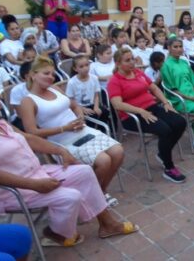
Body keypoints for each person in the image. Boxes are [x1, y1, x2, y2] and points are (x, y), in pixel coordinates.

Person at [0, 81, 138, 247]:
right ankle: (54, 233)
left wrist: (61, 151)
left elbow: (28, 138)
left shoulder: (1, 123)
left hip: (36, 172)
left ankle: (107, 224)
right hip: (11, 190)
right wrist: (34, 184)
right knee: (70, 196)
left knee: (85, 171)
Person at [19, 56, 124, 207]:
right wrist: (64, 128)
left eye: (52, 73)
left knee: (118, 151)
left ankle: (99, 191)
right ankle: (96, 195)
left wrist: (80, 117)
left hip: (81, 130)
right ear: (33, 75)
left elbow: (74, 105)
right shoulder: (28, 101)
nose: (51, 77)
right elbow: (32, 132)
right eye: (46, 73)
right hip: (62, 142)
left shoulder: (54, 88)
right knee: (104, 160)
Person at [108, 48, 187, 183]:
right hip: (132, 115)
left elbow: (154, 88)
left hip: (151, 107)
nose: (132, 62)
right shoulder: (115, 81)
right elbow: (117, 105)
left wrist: (165, 102)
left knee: (180, 122)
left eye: (132, 58)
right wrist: (140, 111)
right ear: (117, 63)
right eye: (127, 60)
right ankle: (169, 168)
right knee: (165, 130)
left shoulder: (138, 72)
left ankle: (163, 153)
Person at [66, 55, 110, 126]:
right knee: (91, 118)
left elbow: (96, 95)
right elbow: (71, 100)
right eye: (81, 67)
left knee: (105, 112)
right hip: (79, 107)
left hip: (92, 104)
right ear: (75, 68)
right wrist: (82, 109)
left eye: (87, 65)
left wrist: (96, 106)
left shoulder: (94, 78)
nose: (85, 68)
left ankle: (103, 131)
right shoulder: (72, 82)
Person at [9, 61, 32, 130]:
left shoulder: (47, 87)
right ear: (27, 76)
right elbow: (21, 114)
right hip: (23, 119)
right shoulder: (17, 90)